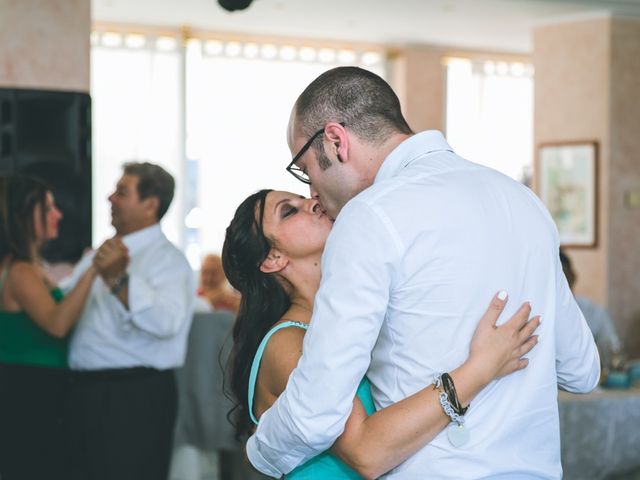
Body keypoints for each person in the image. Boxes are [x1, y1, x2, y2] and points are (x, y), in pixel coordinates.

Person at [246, 66, 601, 479]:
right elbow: (582, 370)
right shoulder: (524, 202)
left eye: (307, 170)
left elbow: (317, 411)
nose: (312, 191)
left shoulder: (370, 217)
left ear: (336, 141)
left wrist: (261, 453)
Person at [222, 189, 540, 479]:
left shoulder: (347, 320)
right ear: (272, 259)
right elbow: (367, 454)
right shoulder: (286, 344)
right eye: (289, 211)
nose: (312, 201)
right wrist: (481, 369)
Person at [63, 162, 195, 480]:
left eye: (122, 192)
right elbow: (63, 302)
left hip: (133, 397)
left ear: (150, 205)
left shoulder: (170, 261)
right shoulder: (99, 253)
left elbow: (167, 322)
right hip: (84, 393)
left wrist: (119, 280)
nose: (110, 198)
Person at [0, 175, 98, 480]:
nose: (59, 214)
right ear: (24, 217)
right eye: (48, 207)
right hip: (28, 392)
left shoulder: (32, 267)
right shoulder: (19, 271)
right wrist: (95, 269)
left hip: (37, 389)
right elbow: (57, 323)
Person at [560, 249, 622, 366]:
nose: (561, 287)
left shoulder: (594, 313)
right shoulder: (532, 317)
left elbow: (612, 351)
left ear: (573, 277)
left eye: (564, 279)